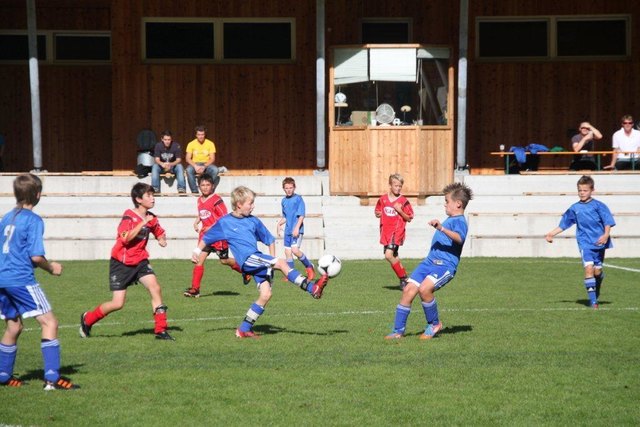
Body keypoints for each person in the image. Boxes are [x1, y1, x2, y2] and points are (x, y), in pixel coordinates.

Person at [193, 186, 329, 339]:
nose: (253, 206)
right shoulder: (225, 222)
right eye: (250, 203)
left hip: (256, 260)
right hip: (247, 260)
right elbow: (207, 237)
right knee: (283, 263)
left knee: (266, 294)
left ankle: (243, 329)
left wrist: (271, 263)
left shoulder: (253, 221)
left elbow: (269, 239)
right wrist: (197, 251)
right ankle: (313, 288)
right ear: (239, 204)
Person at [0, 174, 79, 390]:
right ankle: (52, 379)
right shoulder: (33, 220)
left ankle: (3, 375)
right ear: (37, 194)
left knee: (13, 326)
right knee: (50, 323)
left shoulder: (6, 218)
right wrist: (51, 267)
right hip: (20, 279)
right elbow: (36, 257)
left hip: (2, 279)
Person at [79, 183, 174, 340]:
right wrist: (143, 223)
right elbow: (125, 238)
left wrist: (161, 239)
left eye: (153, 195)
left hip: (141, 261)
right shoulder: (129, 216)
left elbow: (159, 231)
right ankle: (88, 319)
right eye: (148, 195)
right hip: (121, 263)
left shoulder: (151, 217)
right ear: (138, 199)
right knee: (118, 303)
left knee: (155, 288)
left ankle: (161, 330)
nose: (152, 198)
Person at [385, 182, 472, 340]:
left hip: (444, 266)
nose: (445, 204)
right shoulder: (449, 219)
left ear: (458, 204)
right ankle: (398, 331)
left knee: (425, 289)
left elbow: (460, 238)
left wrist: (441, 228)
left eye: (447, 201)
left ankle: (434, 324)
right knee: (408, 290)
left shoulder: (460, 221)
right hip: (429, 263)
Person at [545, 175, 615, 309]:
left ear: (592, 190)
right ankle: (593, 302)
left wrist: (606, 235)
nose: (582, 193)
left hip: (599, 242)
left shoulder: (599, 206)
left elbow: (607, 222)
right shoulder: (574, 208)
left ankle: (598, 282)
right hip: (584, 243)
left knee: (597, 272)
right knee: (588, 269)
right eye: (580, 190)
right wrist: (551, 233)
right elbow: (564, 224)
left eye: (585, 190)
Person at [184, 174, 251, 298]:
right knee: (199, 261)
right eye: (202, 185)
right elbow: (202, 213)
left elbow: (223, 217)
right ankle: (195, 289)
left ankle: (245, 270)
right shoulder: (199, 200)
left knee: (224, 261)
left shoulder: (216, 200)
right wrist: (197, 220)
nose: (205, 188)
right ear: (199, 186)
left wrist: (211, 227)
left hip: (219, 236)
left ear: (212, 186)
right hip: (206, 237)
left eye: (207, 185)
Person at [374, 174, 414, 288]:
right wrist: (377, 214)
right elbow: (377, 211)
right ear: (390, 185)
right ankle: (405, 279)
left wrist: (400, 211)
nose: (398, 188)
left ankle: (403, 278)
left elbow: (409, 218)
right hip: (385, 233)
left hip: (396, 233)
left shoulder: (403, 201)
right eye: (396, 186)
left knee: (388, 255)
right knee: (394, 256)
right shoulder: (383, 199)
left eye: (400, 186)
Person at [276, 177, 315, 281]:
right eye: (286, 188)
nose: (289, 190)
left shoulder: (298, 199)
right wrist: (279, 224)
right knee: (287, 252)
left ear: (294, 188)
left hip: (296, 230)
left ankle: (309, 267)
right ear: (283, 189)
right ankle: (291, 275)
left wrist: (297, 228)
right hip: (288, 231)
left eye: (290, 188)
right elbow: (285, 217)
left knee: (295, 250)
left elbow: (301, 215)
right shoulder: (283, 201)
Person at [185, 125, 227, 194]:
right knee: (189, 170)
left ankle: (209, 188)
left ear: (205, 135)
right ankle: (194, 191)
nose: (201, 136)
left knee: (215, 170)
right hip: (195, 164)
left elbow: (212, 158)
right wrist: (195, 166)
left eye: (202, 134)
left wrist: (204, 166)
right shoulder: (191, 144)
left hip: (206, 164)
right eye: (199, 134)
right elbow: (188, 158)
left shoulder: (210, 143)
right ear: (196, 135)